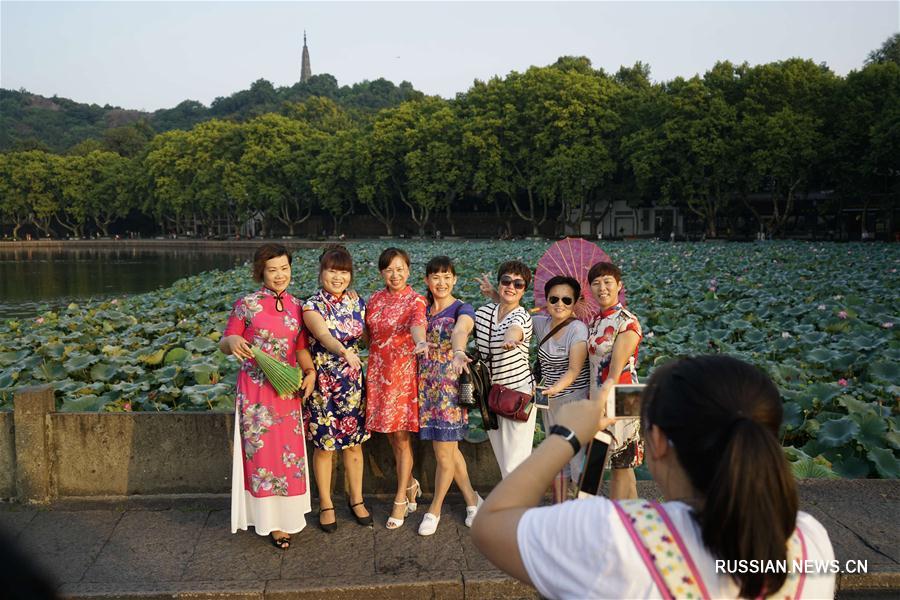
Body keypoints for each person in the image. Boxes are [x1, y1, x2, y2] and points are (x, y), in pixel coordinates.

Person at [472, 355, 836, 599]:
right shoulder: (811, 540)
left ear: (657, 441)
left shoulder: (614, 537)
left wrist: (567, 435)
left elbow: (490, 523)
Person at [220, 243, 317, 549]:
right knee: (262, 455)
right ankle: (270, 522)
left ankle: (288, 517)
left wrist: (310, 372)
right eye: (272, 269)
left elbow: (300, 347)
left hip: (286, 388)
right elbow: (226, 341)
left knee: (288, 456)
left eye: (284, 268)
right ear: (260, 271)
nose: (279, 275)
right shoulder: (246, 305)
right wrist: (233, 339)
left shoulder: (297, 306)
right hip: (255, 391)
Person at [302, 245, 372, 532]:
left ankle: (356, 499)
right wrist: (344, 352)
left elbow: (367, 339)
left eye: (344, 272)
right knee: (324, 447)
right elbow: (322, 335)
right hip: (324, 382)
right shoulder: (310, 305)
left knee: (354, 446)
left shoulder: (358, 303)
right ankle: (327, 503)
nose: (338, 277)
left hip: (353, 383)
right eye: (332, 271)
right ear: (321, 273)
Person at [416, 256, 483, 536]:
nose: (441, 282)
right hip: (424, 389)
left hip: (450, 389)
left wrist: (458, 350)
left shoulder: (461, 308)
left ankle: (434, 509)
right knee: (448, 450)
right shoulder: (422, 309)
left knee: (444, 452)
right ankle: (472, 501)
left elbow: (461, 330)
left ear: (454, 279)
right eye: (435, 277)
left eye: (446, 277)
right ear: (427, 281)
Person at [365, 247, 429, 529]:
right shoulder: (375, 299)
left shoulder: (416, 300)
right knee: (390, 435)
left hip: (402, 376)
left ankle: (400, 498)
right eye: (389, 269)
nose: (395, 274)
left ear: (409, 270)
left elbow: (418, 325)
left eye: (400, 268)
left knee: (402, 438)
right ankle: (412, 483)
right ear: (382, 273)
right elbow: (367, 333)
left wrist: (421, 341)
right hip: (378, 373)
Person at [473, 261, 535, 478]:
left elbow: (514, 329)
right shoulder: (483, 313)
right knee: (503, 459)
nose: (511, 286)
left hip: (517, 394)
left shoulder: (523, 316)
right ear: (499, 284)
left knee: (515, 462)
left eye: (518, 284)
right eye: (506, 281)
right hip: (490, 393)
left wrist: (510, 340)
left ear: (524, 290)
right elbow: (465, 328)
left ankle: (518, 510)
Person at [586, 261, 642, 499]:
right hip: (598, 395)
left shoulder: (627, 321)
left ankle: (625, 518)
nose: (602, 288)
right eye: (596, 283)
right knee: (609, 462)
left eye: (608, 282)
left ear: (619, 285)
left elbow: (616, 368)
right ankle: (632, 515)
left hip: (621, 395)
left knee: (621, 465)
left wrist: (604, 395)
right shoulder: (595, 321)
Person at [532, 275, 590, 502]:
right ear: (546, 300)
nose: (559, 304)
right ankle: (561, 507)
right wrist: (498, 296)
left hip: (573, 402)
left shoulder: (578, 330)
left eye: (567, 300)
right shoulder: (541, 323)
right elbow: (517, 316)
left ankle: (583, 509)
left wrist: (553, 388)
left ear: (575, 303)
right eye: (553, 298)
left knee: (576, 459)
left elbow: (574, 371)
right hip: (550, 403)